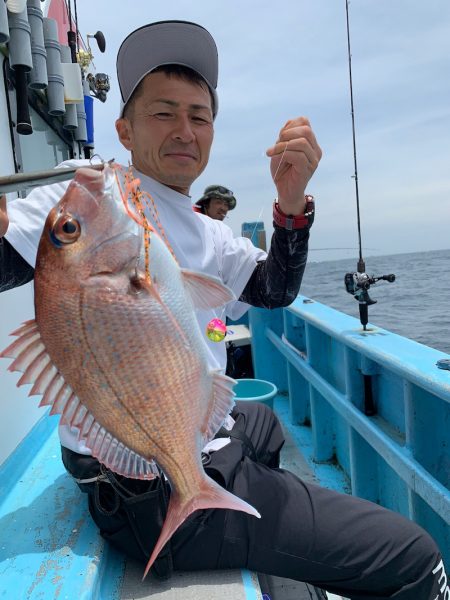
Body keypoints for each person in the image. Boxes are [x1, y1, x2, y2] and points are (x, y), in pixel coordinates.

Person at [0, 21, 445, 599]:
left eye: (200, 116)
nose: (185, 130)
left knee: (264, 422)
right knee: (416, 558)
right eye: (163, 112)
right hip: (145, 493)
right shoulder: (75, 212)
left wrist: (289, 204)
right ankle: (218, 504)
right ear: (124, 130)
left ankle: (258, 519)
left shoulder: (203, 229)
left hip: (152, 442)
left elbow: (274, 289)